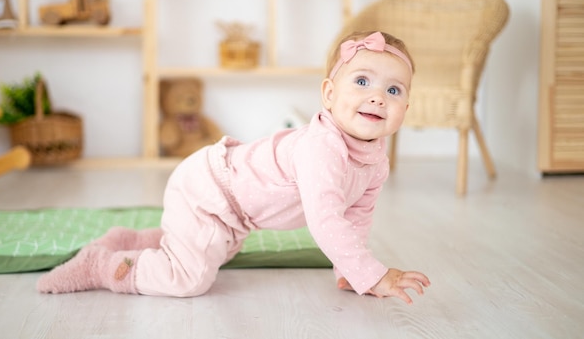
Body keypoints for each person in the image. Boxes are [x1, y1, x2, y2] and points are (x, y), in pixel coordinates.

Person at [37, 30, 431, 304]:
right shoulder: (322, 147)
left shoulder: (375, 162)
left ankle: (134, 239)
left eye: (393, 90)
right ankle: (104, 267)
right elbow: (327, 220)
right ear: (329, 94)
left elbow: (356, 219)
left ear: (405, 110)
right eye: (362, 82)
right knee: (188, 279)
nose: (378, 97)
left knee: (209, 253)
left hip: (235, 214)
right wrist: (374, 274)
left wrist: (348, 269)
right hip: (211, 190)